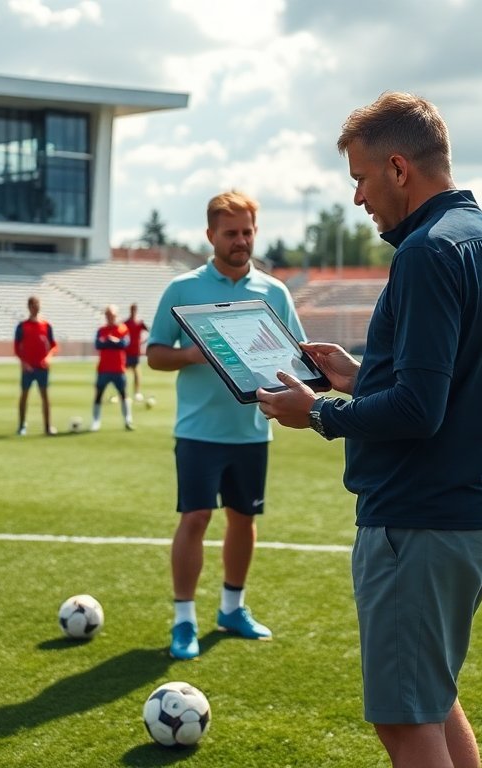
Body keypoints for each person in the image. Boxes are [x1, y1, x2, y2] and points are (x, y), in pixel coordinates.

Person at [257, 92, 482, 768]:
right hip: (477, 508)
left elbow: (420, 411)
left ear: (398, 168)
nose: (357, 197)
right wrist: (361, 377)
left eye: (360, 177)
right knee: (433, 698)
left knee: (403, 718)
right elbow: (456, 382)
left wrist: (320, 412)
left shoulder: (426, 253)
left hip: (421, 517)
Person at [146, 190, 306, 662]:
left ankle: (232, 608)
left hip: (252, 430)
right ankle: (183, 619)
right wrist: (191, 354)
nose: (241, 241)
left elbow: (294, 355)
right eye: (231, 232)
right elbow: (155, 354)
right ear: (210, 234)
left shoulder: (273, 292)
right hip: (198, 430)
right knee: (195, 517)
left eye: (247, 232)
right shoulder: (183, 289)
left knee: (243, 518)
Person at [15, 296, 59, 436]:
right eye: (32, 305)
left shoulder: (46, 326)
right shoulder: (22, 326)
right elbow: (16, 347)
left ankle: (48, 427)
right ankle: (21, 426)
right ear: (28, 307)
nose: (35, 307)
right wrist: (23, 362)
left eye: (37, 304)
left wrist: (48, 357)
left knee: (45, 396)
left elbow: (54, 345)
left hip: (42, 367)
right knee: (24, 395)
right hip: (28, 368)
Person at [92, 305, 132, 431]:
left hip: (118, 368)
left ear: (116, 315)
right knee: (98, 394)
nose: (109, 317)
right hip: (103, 368)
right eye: (107, 315)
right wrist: (112, 343)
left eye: (112, 315)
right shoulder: (101, 330)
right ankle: (96, 421)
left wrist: (112, 341)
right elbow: (98, 344)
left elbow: (124, 344)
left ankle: (127, 419)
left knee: (123, 394)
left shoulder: (122, 329)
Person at [126, 302, 149, 401]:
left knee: (136, 372)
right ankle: (123, 393)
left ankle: (137, 392)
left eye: (135, 309)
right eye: (132, 309)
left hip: (135, 351)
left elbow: (150, 332)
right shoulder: (126, 323)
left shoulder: (140, 323)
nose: (133, 311)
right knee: (122, 373)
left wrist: (143, 341)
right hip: (126, 351)